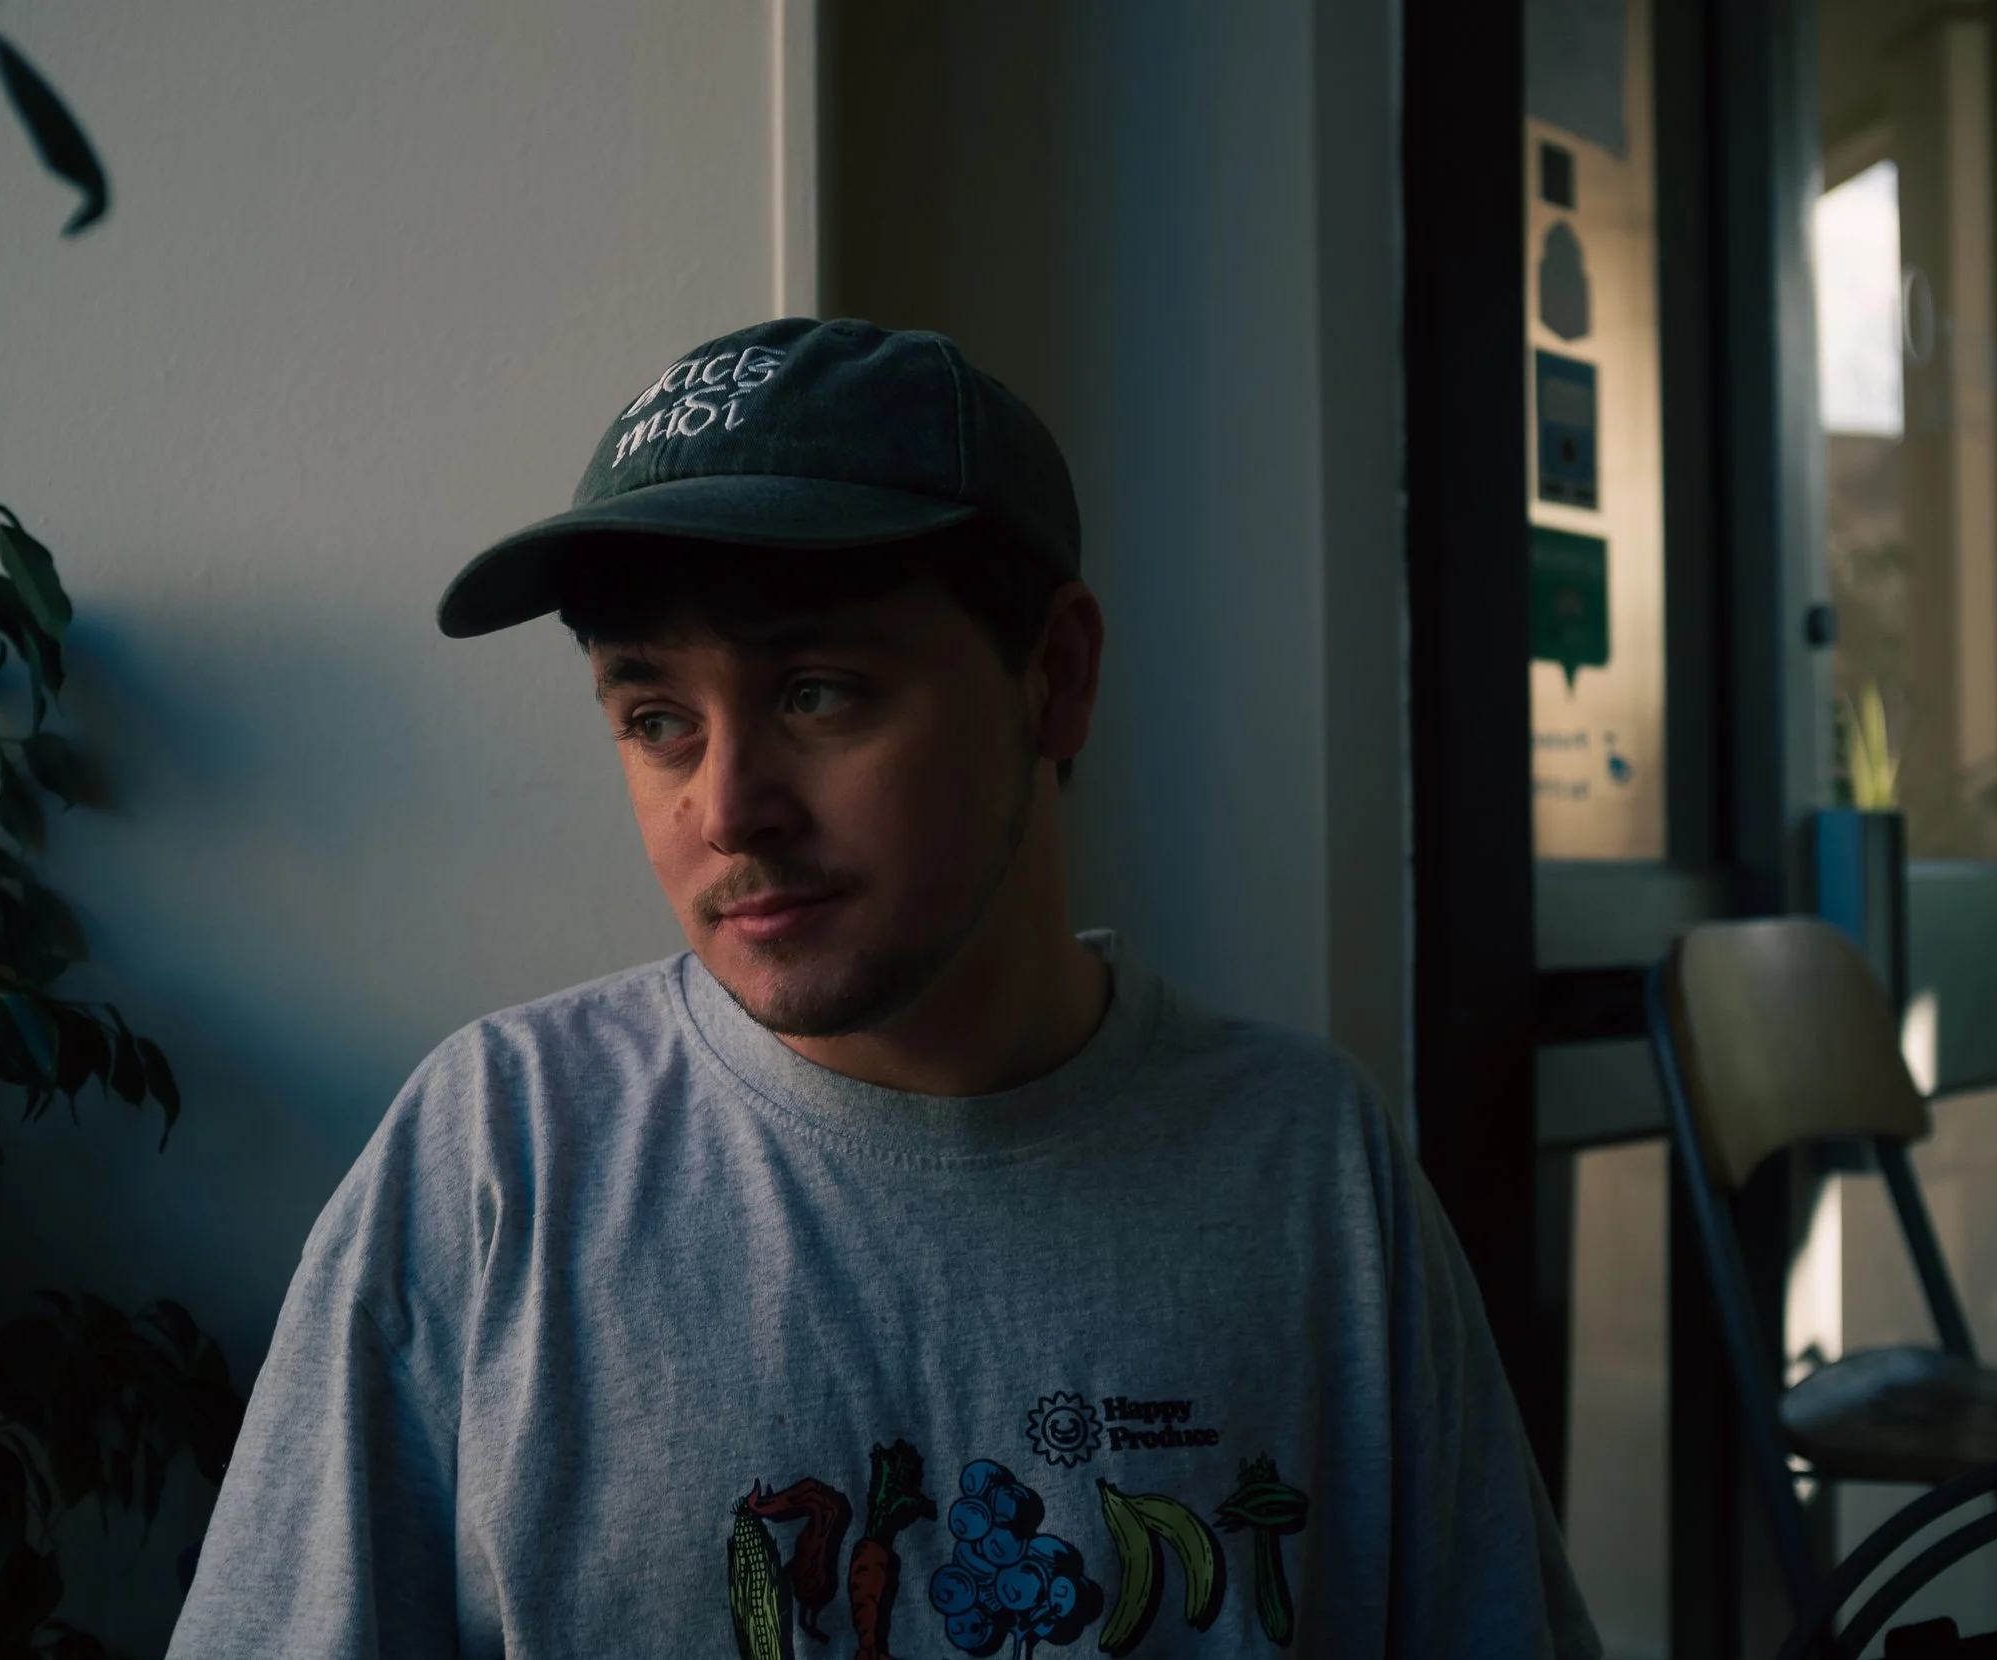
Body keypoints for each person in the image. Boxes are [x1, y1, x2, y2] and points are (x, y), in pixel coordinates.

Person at [167, 317, 1602, 1658]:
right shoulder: (499, 1155)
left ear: (1056, 679)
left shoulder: (1307, 1169)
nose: (728, 811)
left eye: (818, 692)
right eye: (658, 720)